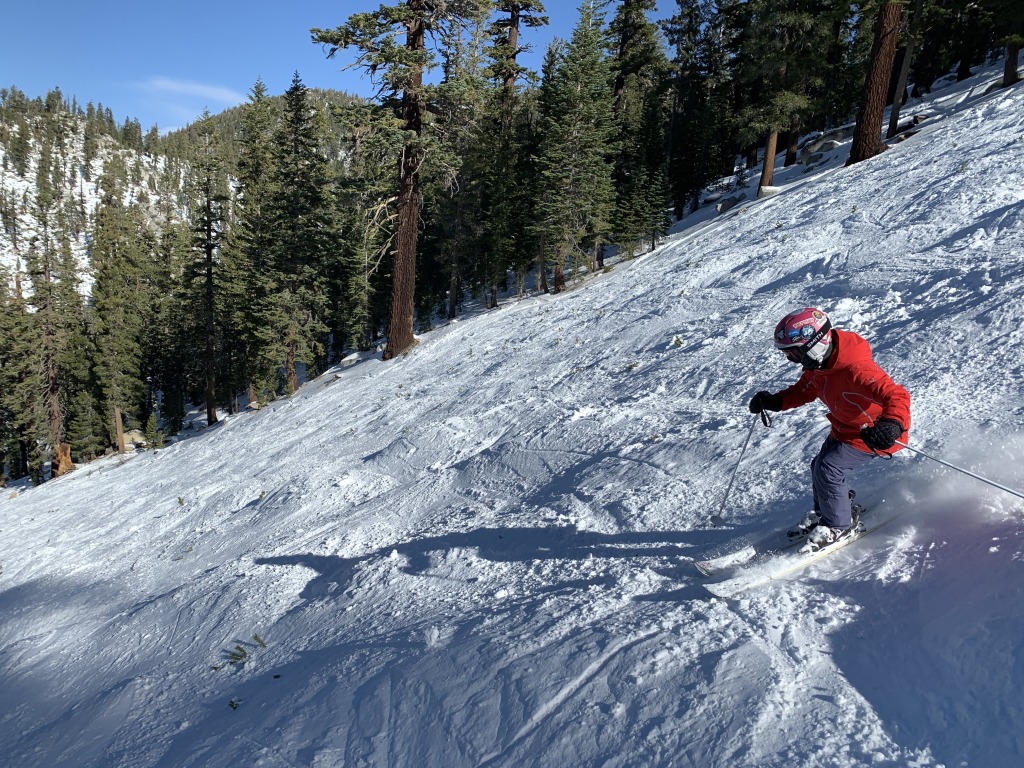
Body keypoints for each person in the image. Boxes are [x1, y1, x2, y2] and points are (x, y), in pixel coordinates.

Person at [748, 307, 911, 552]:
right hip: (845, 429)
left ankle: (839, 525)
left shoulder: (856, 369)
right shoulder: (819, 367)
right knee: (819, 466)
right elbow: (803, 390)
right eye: (788, 355)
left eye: (794, 353)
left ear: (815, 344)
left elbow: (896, 395)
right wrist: (775, 401)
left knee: (829, 469)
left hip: (873, 433)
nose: (791, 360)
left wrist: (891, 425)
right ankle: (828, 511)